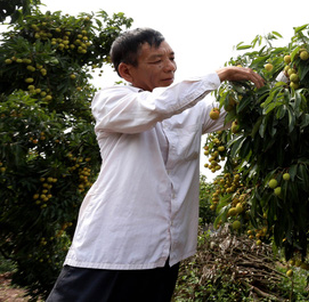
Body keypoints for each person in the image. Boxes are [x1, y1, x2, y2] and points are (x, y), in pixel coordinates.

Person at [47, 28, 264, 302]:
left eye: (172, 58)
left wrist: (286, 75)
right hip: (111, 252)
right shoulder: (111, 102)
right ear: (127, 71)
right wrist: (218, 76)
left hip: (165, 255)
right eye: (156, 61)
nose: (170, 67)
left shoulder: (189, 110)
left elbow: (242, 111)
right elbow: (156, 107)